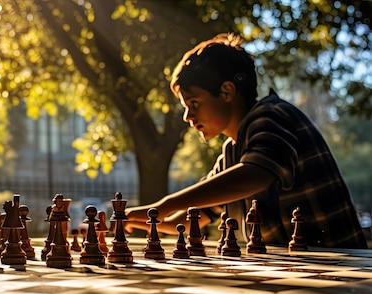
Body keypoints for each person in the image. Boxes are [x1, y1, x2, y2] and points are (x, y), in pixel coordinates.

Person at [124, 33, 367, 249]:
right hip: (303, 271)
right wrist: (134, 217)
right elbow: (191, 217)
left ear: (227, 92)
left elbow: (256, 173)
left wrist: (166, 203)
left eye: (194, 103)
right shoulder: (232, 151)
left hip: (344, 268)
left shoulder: (272, 115)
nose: (188, 117)